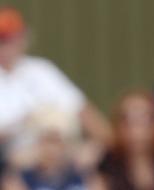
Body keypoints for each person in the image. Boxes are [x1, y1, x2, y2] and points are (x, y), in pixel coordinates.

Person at [0, 7, 111, 169]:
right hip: (12, 165)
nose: (8, 46)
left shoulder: (41, 70)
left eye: (12, 38)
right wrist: (24, 124)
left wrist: (97, 147)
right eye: (2, 40)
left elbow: (87, 115)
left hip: (61, 162)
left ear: (24, 38)